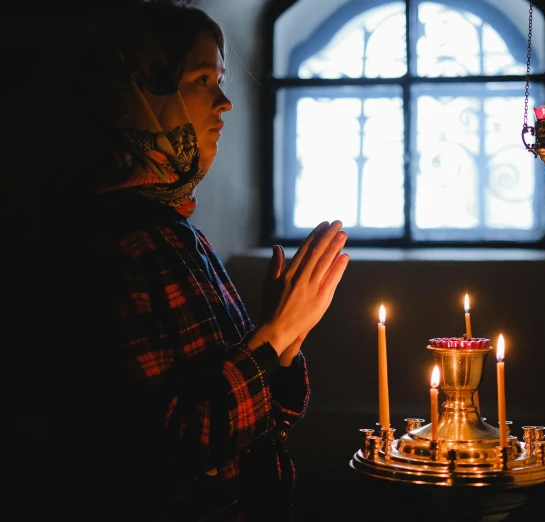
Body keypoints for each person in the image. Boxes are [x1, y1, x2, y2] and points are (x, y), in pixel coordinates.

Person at [42, 2, 350, 521]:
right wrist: (272, 336)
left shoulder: (174, 230)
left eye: (220, 79)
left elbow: (260, 417)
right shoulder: (113, 244)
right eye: (203, 79)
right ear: (141, 95)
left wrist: (285, 340)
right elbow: (177, 443)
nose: (225, 103)